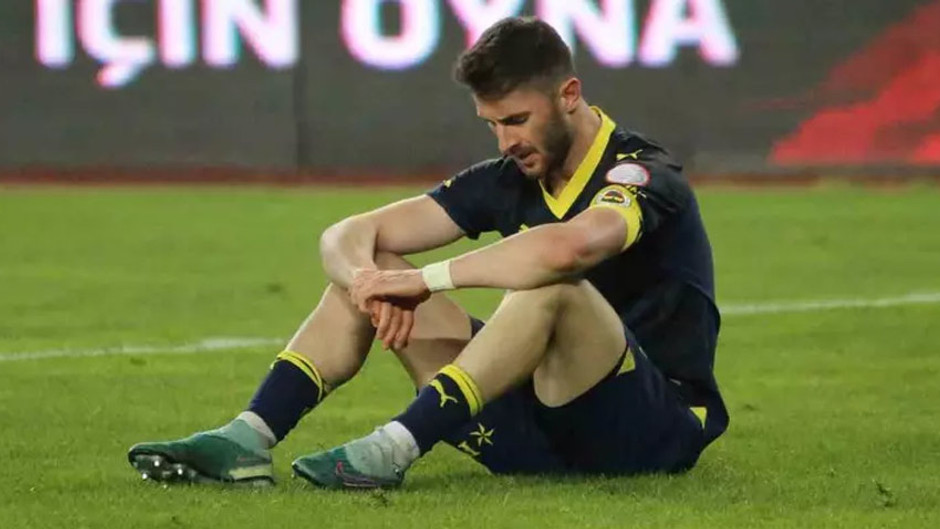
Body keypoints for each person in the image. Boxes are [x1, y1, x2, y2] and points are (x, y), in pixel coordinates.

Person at [127, 16, 728, 489]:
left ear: (569, 94)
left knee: (552, 286)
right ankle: (248, 438)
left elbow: (569, 247)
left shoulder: (642, 173)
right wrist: (366, 282)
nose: (506, 140)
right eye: (492, 124)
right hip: (537, 431)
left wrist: (428, 281)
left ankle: (393, 448)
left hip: (648, 430)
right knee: (378, 265)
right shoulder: (508, 177)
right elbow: (347, 233)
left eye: (517, 119)